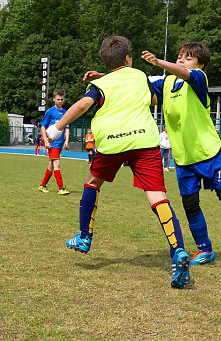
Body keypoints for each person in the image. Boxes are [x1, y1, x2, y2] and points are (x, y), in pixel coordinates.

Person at [48, 36, 190, 288]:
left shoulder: (101, 83)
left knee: (92, 183)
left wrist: (57, 128)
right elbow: (146, 93)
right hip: (145, 141)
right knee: (157, 195)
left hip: (112, 142)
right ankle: (178, 250)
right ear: (128, 58)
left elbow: (82, 105)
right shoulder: (138, 76)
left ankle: (84, 237)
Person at [140, 42, 221, 274]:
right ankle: (204, 249)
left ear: (201, 64)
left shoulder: (198, 79)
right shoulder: (166, 84)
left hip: (209, 153)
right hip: (184, 159)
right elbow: (136, 87)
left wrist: (157, 62)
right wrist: (106, 79)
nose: (182, 60)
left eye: (189, 57)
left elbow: (185, 73)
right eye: (180, 56)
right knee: (190, 204)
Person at [38, 89, 70, 195]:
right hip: (52, 143)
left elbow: (67, 128)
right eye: (58, 99)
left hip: (59, 143)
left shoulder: (65, 112)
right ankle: (61, 188)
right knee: (57, 163)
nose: (60, 101)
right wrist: (46, 141)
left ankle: (42, 185)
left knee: (51, 165)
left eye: (61, 99)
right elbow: (43, 126)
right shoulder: (50, 111)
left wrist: (66, 140)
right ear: (53, 99)